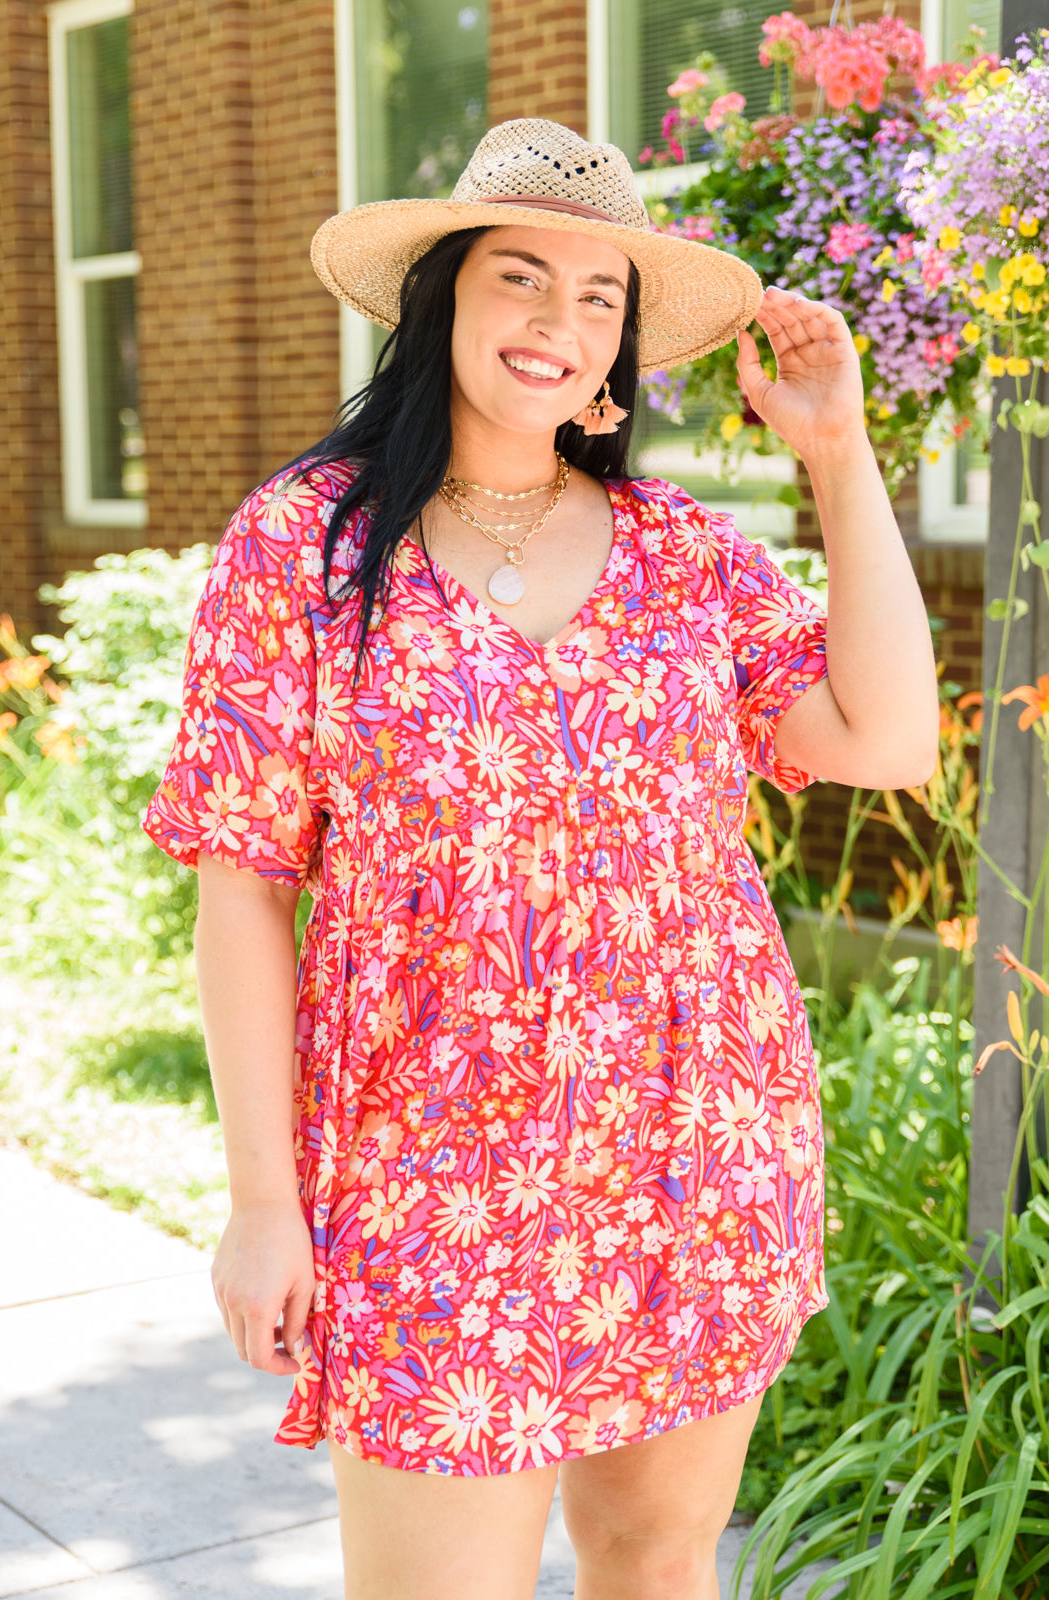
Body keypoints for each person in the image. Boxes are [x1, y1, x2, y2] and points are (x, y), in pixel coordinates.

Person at [143, 118, 939, 1600]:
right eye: (522, 278)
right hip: (426, 1164)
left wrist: (837, 455)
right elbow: (243, 879)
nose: (558, 326)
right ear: (442, 296)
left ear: (625, 346)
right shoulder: (305, 548)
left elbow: (885, 735)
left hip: (695, 1143)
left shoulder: (684, 553)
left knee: (653, 1560)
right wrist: (263, 1204)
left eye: (597, 298)